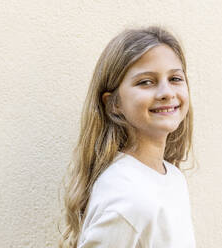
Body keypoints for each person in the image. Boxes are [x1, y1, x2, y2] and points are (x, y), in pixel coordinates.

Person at [58, 25, 197, 248]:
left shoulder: (171, 176)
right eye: (146, 82)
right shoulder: (127, 198)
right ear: (114, 104)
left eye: (175, 78)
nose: (167, 93)